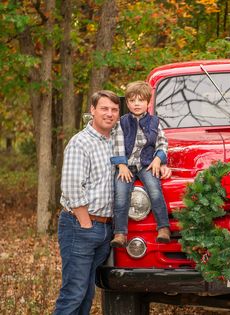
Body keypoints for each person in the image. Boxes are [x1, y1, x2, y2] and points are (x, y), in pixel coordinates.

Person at [54, 90, 120, 314]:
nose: (109, 114)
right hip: (81, 226)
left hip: (104, 228)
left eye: (114, 109)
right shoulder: (81, 143)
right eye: (104, 108)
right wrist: (85, 224)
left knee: (86, 293)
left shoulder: (114, 142)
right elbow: (72, 187)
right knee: (73, 292)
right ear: (92, 110)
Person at [110, 81, 172, 247]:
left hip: (146, 164)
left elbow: (162, 142)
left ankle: (163, 228)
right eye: (132, 100)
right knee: (121, 195)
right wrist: (121, 165)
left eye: (140, 100)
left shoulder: (155, 122)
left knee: (155, 190)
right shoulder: (121, 123)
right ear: (128, 103)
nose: (136, 104)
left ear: (148, 103)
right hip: (126, 166)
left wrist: (158, 159)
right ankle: (120, 233)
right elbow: (117, 144)